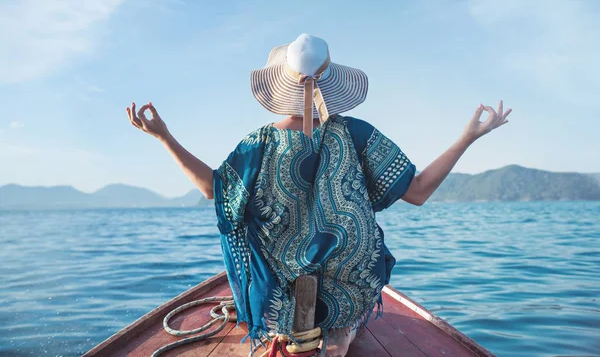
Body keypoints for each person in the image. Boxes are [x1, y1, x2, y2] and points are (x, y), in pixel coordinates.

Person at [126, 34, 511, 357]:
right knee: (356, 278)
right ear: (331, 81)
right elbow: (418, 192)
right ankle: (341, 331)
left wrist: (163, 136)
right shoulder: (355, 133)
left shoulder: (259, 143)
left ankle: (291, 328)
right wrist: (469, 137)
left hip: (280, 294)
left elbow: (213, 188)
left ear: (282, 81)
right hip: (348, 288)